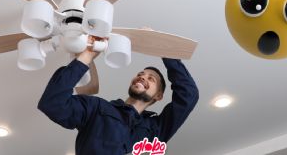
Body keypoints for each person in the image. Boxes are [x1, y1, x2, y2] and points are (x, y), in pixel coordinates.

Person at [38, 37, 199, 155]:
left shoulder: (155, 130)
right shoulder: (96, 108)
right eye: (141, 74)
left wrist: (161, 48)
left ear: (158, 96)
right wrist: (86, 57)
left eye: (151, 79)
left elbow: (189, 95)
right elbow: (53, 103)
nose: (143, 77)